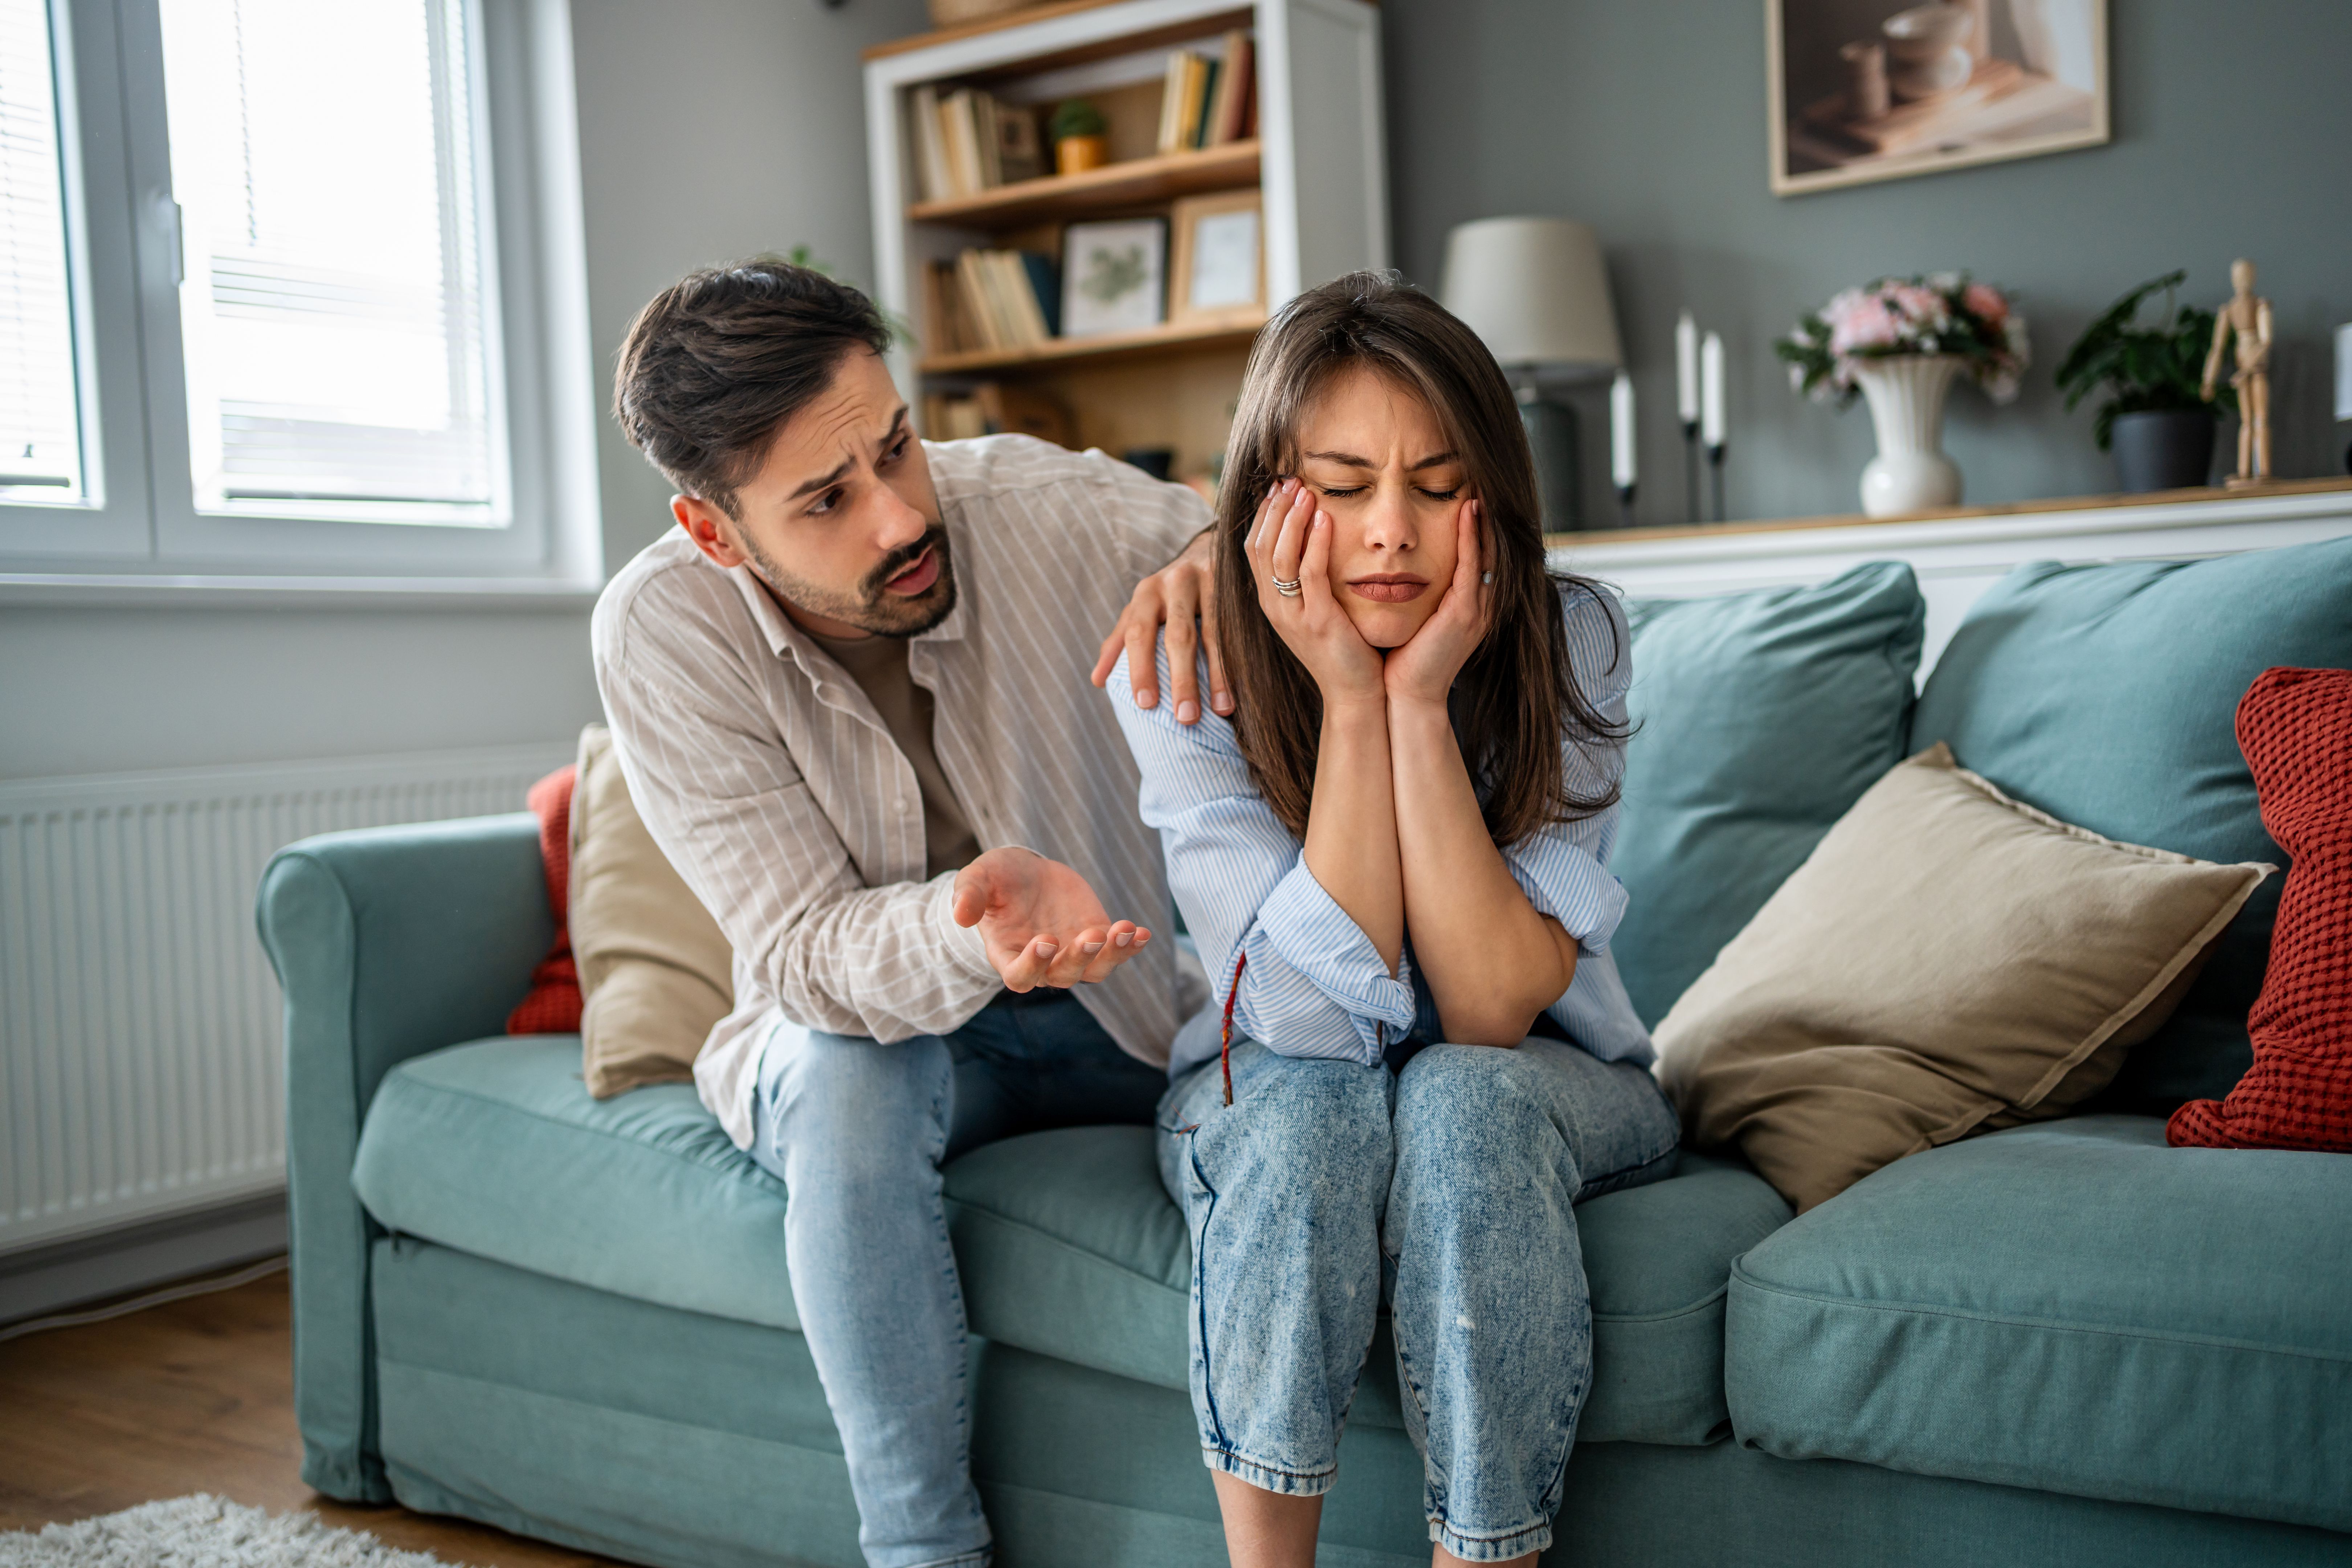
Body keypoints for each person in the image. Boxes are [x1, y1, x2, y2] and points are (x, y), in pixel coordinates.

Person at [593, 257, 1224, 1568]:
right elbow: (805, 953)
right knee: (845, 1073)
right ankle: (925, 1555)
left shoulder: (1044, 505)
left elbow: (1264, 531)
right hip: (874, 1036)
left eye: (897, 447)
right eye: (827, 500)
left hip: (1120, 1005)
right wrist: (964, 927)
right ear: (716, 531)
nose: (897, 517)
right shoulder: (661, 634)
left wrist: (1216, 557)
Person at [1108, 272, 1681, 1568]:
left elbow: (1488, 1012)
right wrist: (1342, 698)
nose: (1390, 535)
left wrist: (1414, 706)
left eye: (1437, 485)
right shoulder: (1187, 673)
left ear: (1495, 491)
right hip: (1265, 1082)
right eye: (1344, 485)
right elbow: (1305, 1028)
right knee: (1314, 1114)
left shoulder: (1570, 635)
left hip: (1553, 1075)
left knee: (1459, 1095)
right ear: (1270, 498)